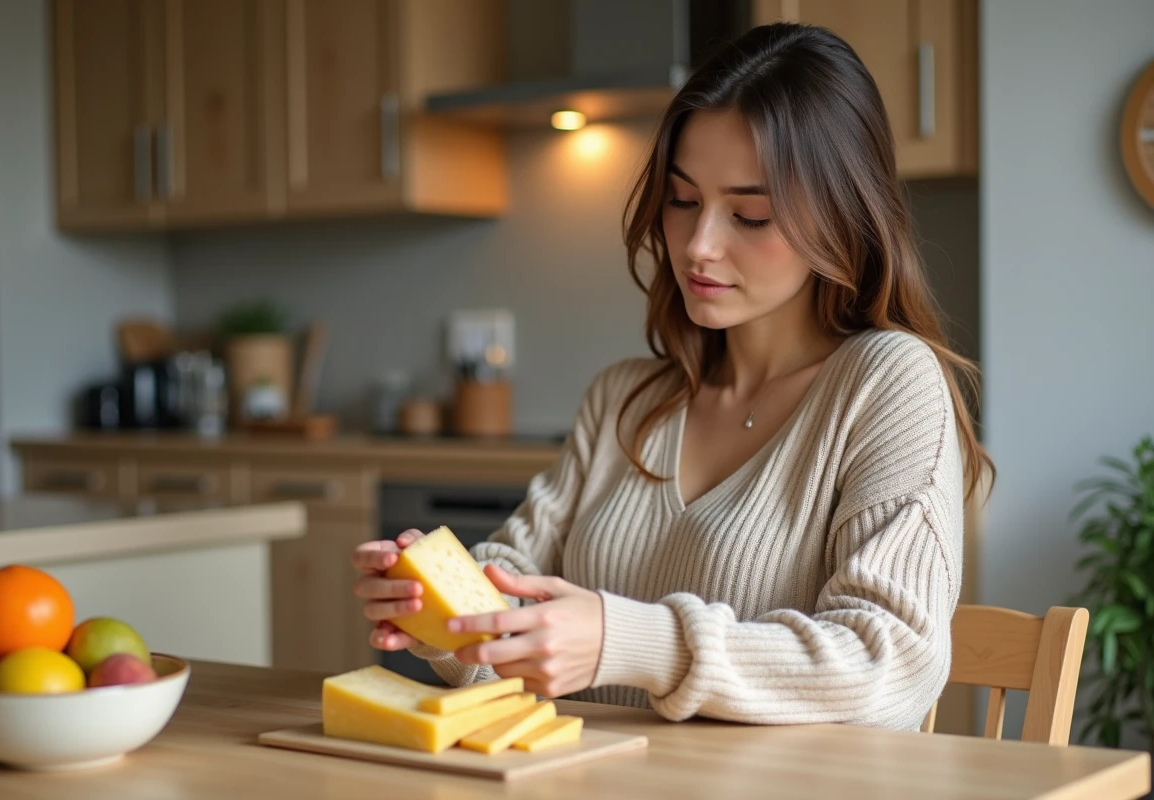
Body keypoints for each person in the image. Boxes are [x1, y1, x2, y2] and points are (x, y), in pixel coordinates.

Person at [352, 21, 993, 732]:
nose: (698, 245)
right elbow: (508, 611)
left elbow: (891, 662)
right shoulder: (623, 400)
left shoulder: (887, 383)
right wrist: (443, 610)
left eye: (751, 215)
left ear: (843, 218)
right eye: (683, 201)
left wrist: (628, 642)